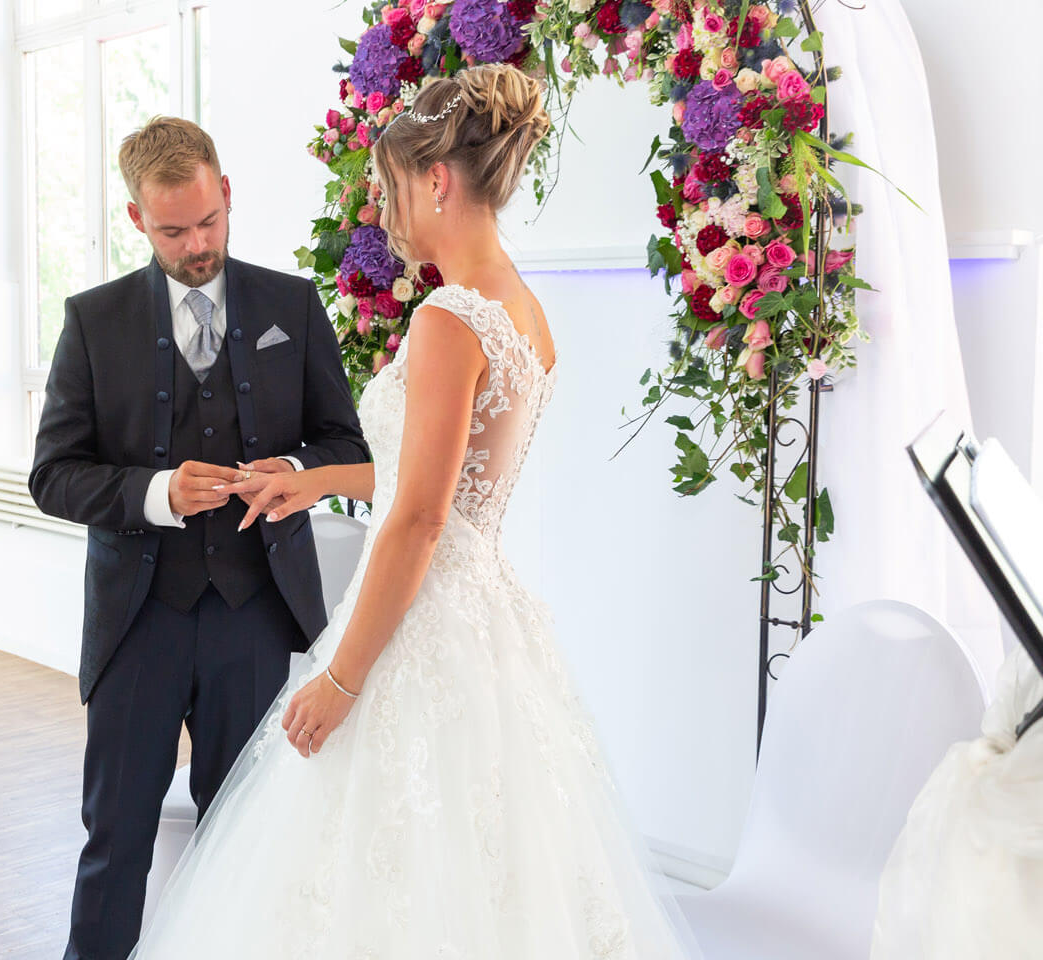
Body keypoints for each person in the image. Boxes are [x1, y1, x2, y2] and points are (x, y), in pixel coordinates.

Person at [128, 64, 700, 958]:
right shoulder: (524, 310)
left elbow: (422, 520)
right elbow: (444, 482)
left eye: (393, 190)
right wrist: (314, 479)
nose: (386, 215)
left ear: (438, 179)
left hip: (417, 615)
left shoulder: (446, 320)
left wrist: (343, 679)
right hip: (485, 614)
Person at [28, 116, 370, 960]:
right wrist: (153, 493)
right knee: (116, 842)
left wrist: (291, 466)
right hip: (137, 617)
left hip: (254, 613)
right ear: (136, 220)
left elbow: (349, 450)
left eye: (209, 222)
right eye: (174, 230)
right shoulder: (92, 320)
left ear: (227, 194)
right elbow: (52, 475)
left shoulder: (292, 304)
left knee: (243, 841)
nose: (197, 244)